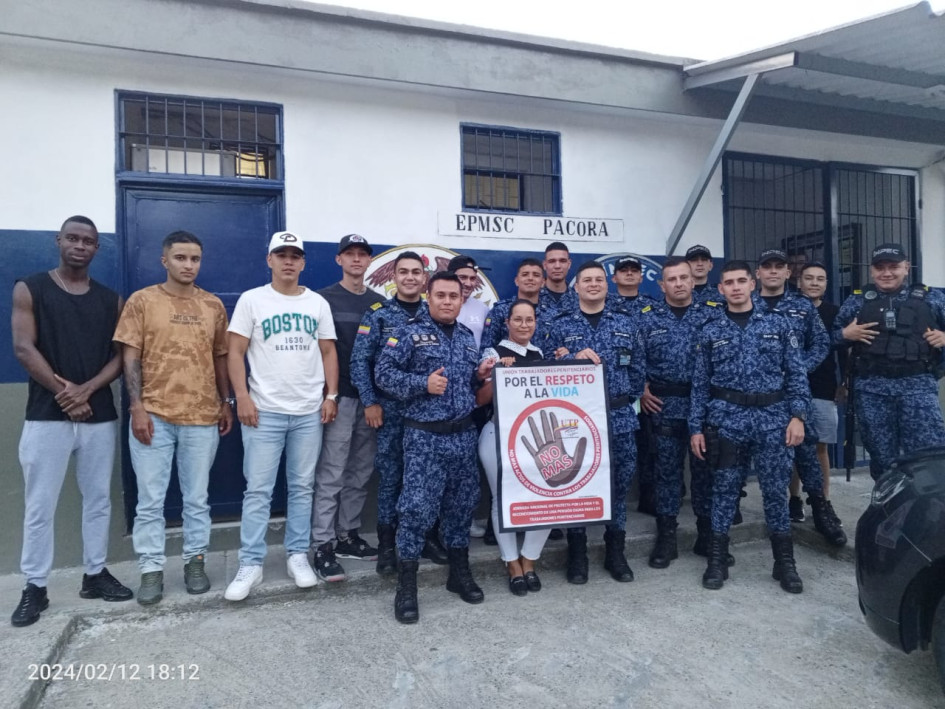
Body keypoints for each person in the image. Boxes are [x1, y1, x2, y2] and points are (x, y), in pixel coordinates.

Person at [11, 216, 132, 627]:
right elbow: (24, 349)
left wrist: (87, 390)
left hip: (98, 417)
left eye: (89, 241)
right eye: (73, 238)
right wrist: (66, 394)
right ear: (59, 241)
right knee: (40, 505)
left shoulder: (110, 299)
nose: (81, 246)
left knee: (98, 499)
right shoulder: (31, 288)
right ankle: (35, 587)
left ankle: (95, 574)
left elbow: (120, 356)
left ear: (97, 248)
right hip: (47, 416)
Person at [114, 230, 232, 605]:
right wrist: (136, 407)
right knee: (150, 500)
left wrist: (225, 401)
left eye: (195, 259)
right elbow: (130, 356)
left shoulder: (213, 305)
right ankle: (151, 570)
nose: (188, 265)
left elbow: (220, 356)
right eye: (180, 258)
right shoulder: (142, 301)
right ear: (165, 260)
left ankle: (194, 563)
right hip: (154, 415)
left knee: (197, 499)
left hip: (201, 416)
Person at [223, 231, 338, 601]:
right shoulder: (252, 300)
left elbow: (328, 353)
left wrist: (331, 395)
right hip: (265, 411)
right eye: (281, 254)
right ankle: (251, 564)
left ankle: (297, 556)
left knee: (303, 487)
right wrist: (241, 397)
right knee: (257, 489)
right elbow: (234, 351)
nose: (289, 261)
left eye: (295, 255)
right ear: (269, 260)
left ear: (303, 262)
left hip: (307, 411)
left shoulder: (317, 303)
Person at [375, 272, 495, 624]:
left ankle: (459, 575)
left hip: (463, 436)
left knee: (461, 508)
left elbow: (467, 381)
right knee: (415, 512)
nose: (446, 301)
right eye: (440, 295)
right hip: (425, 438)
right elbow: (383, 375)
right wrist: (421, 383)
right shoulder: (408, 333)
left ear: (462, 300)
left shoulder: (466, 337)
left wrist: (481, 372)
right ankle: (406, 588)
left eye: (453, 296)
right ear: (429, 297)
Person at [690, 261, 810, 594]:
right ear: (721, 289)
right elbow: (700, 384)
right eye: (729, 283)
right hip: (726, 420)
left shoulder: (779, 324)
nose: (736, 287)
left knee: (775, 492)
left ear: (752, 284)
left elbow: (797, 374)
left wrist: (798, 416)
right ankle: (717, 559)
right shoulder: (710, 329)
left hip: (773, 419)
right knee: (724, 492)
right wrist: (695, 428)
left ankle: (784, 563)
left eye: (742, 281)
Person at [547, 261, 645, 585]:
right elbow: (545, 365)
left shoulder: (627, 323)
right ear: (576, 287)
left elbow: (638, 371)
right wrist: (568, 360)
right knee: (577, 485)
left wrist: (622, 397)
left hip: (618, 416)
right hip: (575, 420)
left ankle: (615, 552)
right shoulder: (559, 324)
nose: (593, 284)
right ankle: (578, 553)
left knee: (617, 485)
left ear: (608, 284)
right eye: (586, 280)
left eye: (598, 280)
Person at [350, 251, 445, 575]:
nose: (409, 277)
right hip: (389, 413)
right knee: (392, 479)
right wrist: (369, 402)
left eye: (416, 272)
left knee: (426, 481)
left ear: (424, 278)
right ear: (394, 276)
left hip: (427, 413)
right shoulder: (378, 314)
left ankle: (425, 538)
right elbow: (360, 361)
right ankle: (388, 546)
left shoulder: (433, 313)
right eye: (403, 272)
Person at [637, 257, 725, 569]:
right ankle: (667, 538)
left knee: (705, 473)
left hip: (703, 408)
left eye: (683, 278)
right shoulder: (647, 318)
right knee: (666, 474)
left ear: (693, 280)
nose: (678, 284)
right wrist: (642, 389)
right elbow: (636, 359)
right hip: (663, 406)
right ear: (662, 285)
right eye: (671, 279)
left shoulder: (714, 315)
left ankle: (706, 535)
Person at [752, 249, 843, 547]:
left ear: (789, 273)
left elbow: (821, 343)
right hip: (759, 397)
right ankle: (780, 510)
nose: (774, 272)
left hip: (795, 394)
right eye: (768, 267)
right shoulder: (745, 304)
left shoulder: (803, 307)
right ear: (759, 273)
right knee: (761, 456)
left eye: (780, 267)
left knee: (807, 453)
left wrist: (797, 368)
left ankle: (820, 508)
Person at [834, 243, 945, 480]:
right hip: (872, 392)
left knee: (928, 457)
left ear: (906, 267)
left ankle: (928, 512)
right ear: (871, 270)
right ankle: (888, 511)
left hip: (918, 389)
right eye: (879, 267)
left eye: (893, 267)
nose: (886, 273)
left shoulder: (933, 299)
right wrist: (844, 335)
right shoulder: (857, 301)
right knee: (883, 460)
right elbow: (826, 340)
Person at [310, 234, 384, 583]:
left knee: (359, 472)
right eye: (349, 254)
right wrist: (329, 394)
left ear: (369, 261)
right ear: (339, 259)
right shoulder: (322, 299)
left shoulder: (379, 303)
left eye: (362, 254)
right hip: (339, 399)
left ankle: (348, 535)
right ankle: (322, 544)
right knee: (332, 472)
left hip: (371, 400)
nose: (356, 260)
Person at [477, 299, 551, 595]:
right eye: (517, 319)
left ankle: (529, 560)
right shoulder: (493, 353)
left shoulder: (540, 354)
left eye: (529, 320)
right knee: (502, 500)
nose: (523, 325)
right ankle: (512, 564)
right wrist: (498, 375)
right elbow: (480, 399)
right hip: (499, 434)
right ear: (506, 322)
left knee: (545, 500)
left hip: (537, 438)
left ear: (535, 323)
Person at [792, 261, 848, 543]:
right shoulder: (787, 309)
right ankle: (794, 498)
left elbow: (842, 349)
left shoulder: (834, 312)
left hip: (823, 387)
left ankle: (822, 502)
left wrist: (845, 381)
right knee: (792, 447)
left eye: (821, 279)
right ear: (798, 281)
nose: (814, 283)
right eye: (809, 278)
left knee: (819, 448)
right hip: (789, 389)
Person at [481, 258, 546, 351]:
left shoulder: (552, 313)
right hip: (507, 364)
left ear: (543, 282)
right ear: (516, 281)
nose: (530, 278)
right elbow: (487, 348)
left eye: (536, 275)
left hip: (542, 364)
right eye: (525, 274)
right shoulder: (500, 311)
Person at [449, 255, 490, 347]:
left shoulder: (483, 309)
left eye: (472, 278)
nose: (468, 283)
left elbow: (488, 345)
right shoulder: (433, 307)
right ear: (450, 277)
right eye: (463, 277)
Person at [540, 242, 579, 314]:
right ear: (545, 265)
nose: (557, 266)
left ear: (569, 264)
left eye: (562, 261)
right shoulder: (534, 297)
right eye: (552, 261)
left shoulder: (579, 300)